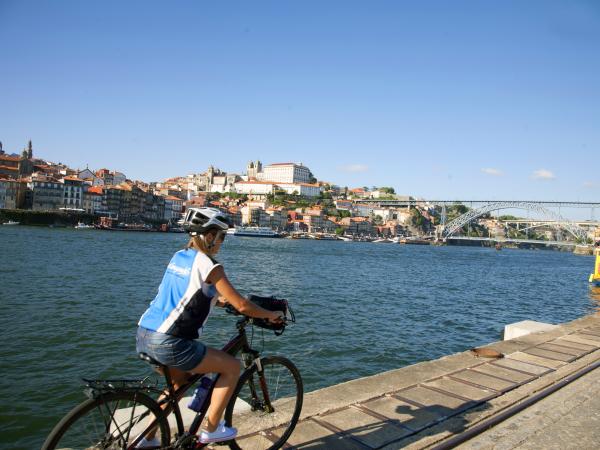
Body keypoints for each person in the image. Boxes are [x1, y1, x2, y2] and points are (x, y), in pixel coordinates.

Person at [135, 207, 283, 446]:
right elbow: (243, 305)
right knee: (232, 367)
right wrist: (270, 314)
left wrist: (221, 301)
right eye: (221, 236)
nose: (222, 242)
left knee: (178, 385)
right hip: (170, 342)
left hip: (144, 333)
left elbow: (192, 292)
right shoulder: (210, 266)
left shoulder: (179, 257)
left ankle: (147, 438)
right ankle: (212, 430)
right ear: (210, 235)